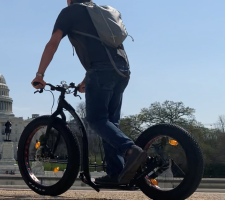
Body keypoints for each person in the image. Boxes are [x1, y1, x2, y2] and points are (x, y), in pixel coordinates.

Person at [31, 0, 147, 185]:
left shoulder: (69, 13)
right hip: (122, 71)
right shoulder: (101, 13)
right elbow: (102, 48)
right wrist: (86, 80)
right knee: (110, 125)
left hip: (101, 70)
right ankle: (117, 175)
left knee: (96, 120)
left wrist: (39, 74)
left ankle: (130, 150)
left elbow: (53, 43)